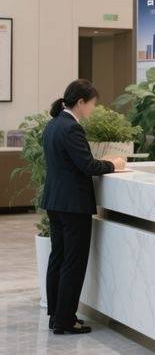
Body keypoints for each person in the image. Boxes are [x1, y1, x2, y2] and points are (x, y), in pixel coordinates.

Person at [41, 79, 126, 335]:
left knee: (58, 258)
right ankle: (66, 320)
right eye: (92, 104)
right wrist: (114, 165)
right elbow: (88, 166)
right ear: (80, 102)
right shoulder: (72, 128)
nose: (93, 109)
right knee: (73, 262)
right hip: (73, 205)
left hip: (55, 201)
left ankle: (56, 315)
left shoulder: (53, 125)